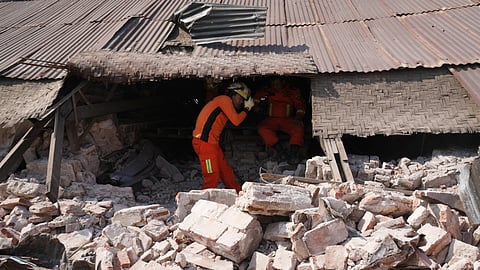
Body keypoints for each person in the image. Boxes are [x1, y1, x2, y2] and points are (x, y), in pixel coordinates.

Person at [192, 81, 255, 192]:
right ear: (233, 94)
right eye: (240, 98)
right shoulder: (224, 100)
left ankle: (237, 192)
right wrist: (246, 109)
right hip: (204, 143)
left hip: (212, 144)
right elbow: (236, 121)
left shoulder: (224, 103)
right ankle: (204, 201)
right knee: (211, 174)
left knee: (226, 171)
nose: (241, 102)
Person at [253, 77, 306, 164]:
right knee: (262, 128)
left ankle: (293, 154)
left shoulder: (292, 91)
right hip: (271, 119)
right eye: (273, 84)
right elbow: (255, 100)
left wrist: (299, 117)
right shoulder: (267, 91)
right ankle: (279, 151)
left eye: (277, 83)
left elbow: (300, 106)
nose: (275, 86)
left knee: (298, 129)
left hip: (288, 120)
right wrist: (256, 107)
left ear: (283, 82)